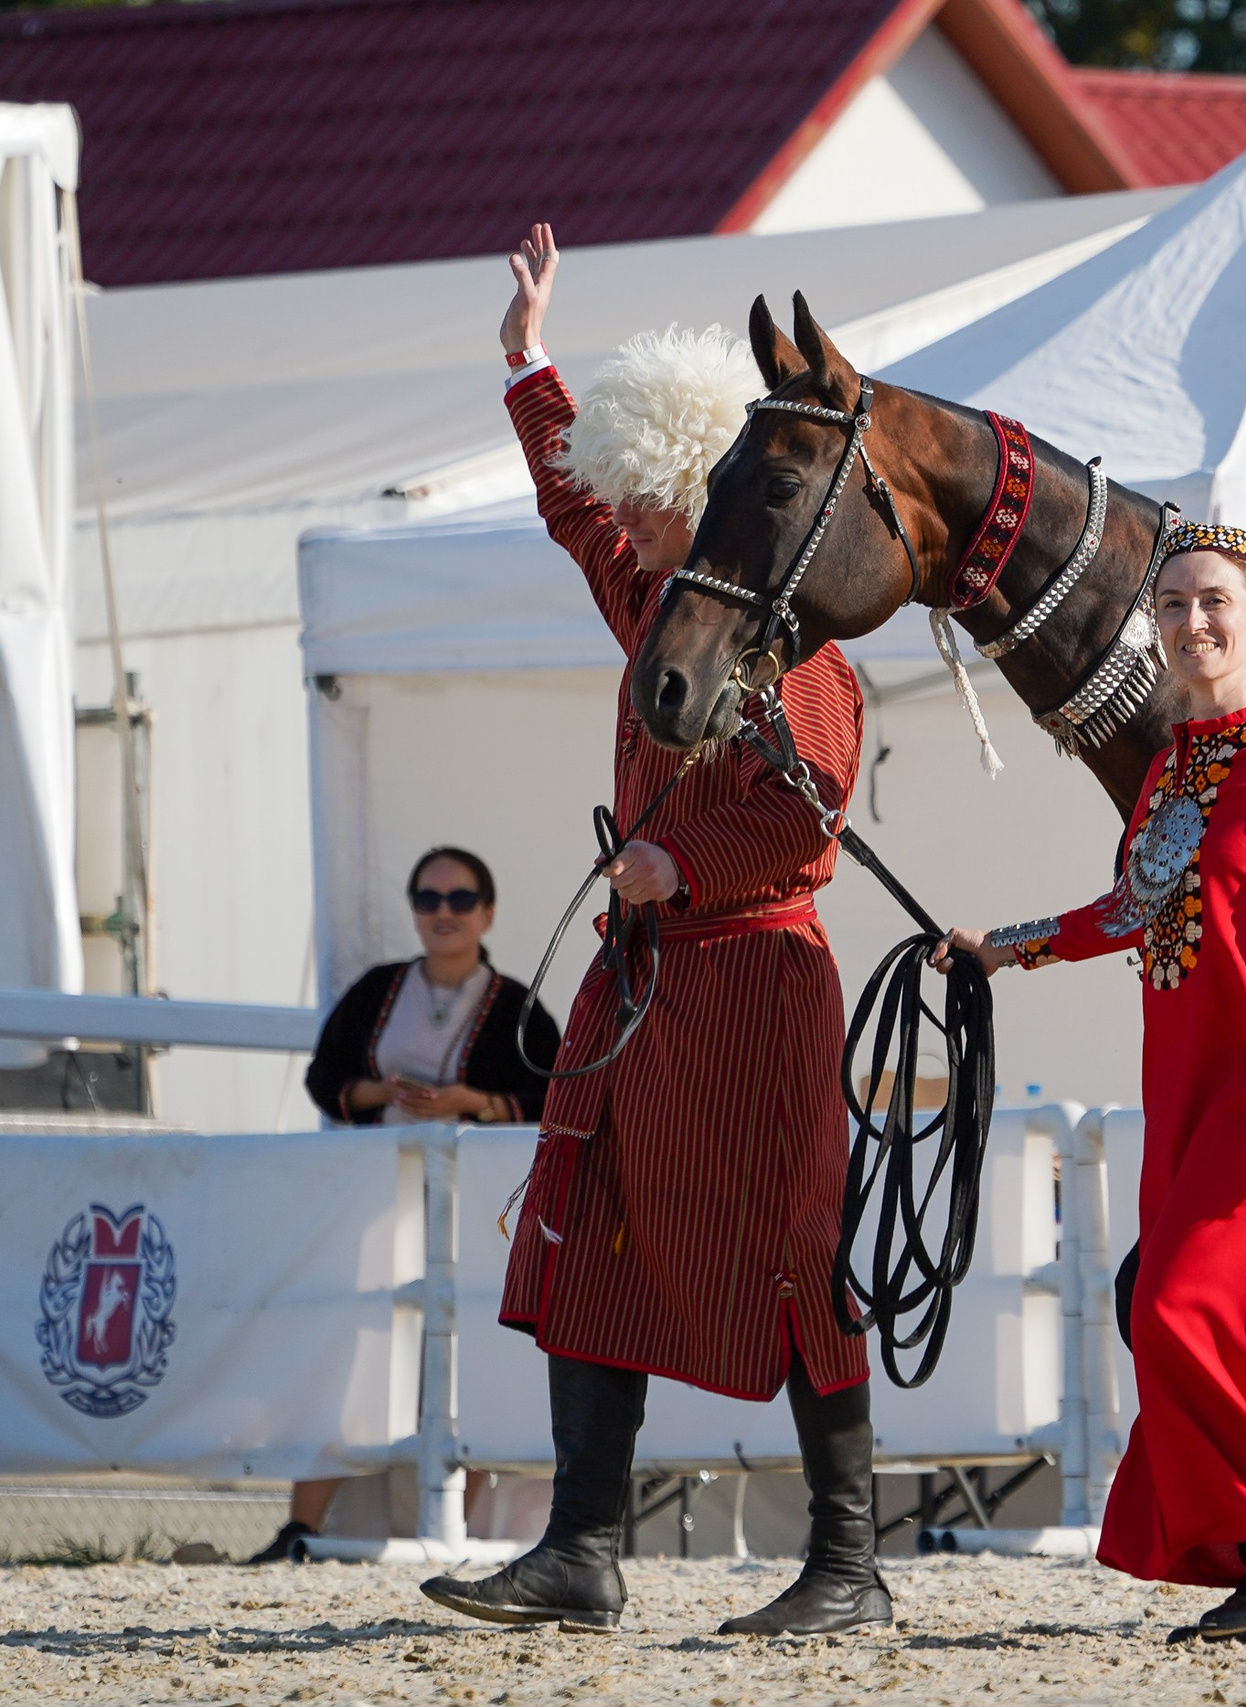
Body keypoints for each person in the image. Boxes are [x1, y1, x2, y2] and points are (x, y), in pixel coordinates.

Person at [419, 225, 881, 1636]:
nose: (624, 518)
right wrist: (529, 361)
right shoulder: (655, 606)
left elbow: (814, 818)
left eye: (646, 495)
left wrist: (674, 858)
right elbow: (572, 509)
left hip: (757, 979)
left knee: (800, 1246)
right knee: (583, 1208)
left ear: (694, 492)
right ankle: (580, 1544)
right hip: (650, 987)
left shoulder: (798, 650)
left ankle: (850, 1560)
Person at [940, 522, 1246, 1644]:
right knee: (1199, 1326)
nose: (1193, 623)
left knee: (1178, 1309)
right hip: (1184, 1086)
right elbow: (1131, 910)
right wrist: (1006, 946)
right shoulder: (1164, 770)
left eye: (1215, 603)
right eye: (1172, 608)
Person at [248, 847, 559, 1563]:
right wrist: (383, 1093)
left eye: (459, 898)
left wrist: (474, 1104)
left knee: (468, 1351)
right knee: (347, 1347)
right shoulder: (377, 989)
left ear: (487, 911)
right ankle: (303, 1523)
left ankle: (465, 1528)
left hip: (473, 1213)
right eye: (427, 898)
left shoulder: (515, 1004)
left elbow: (556, 1090)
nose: (442, 913)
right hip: (376, 1205)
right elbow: (327, 1078)